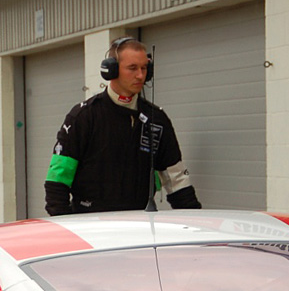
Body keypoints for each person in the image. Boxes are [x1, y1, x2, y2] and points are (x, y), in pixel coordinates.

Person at [44, 36, 202, 215]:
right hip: (90, 223)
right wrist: (65, 227)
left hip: (139, 226)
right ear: (111, 70)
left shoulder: (156, 119)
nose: (140, 75)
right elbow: (57, 180)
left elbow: (177, 180)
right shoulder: (83, 116)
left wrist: (196, 220)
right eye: (132, 68)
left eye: (144, 68)